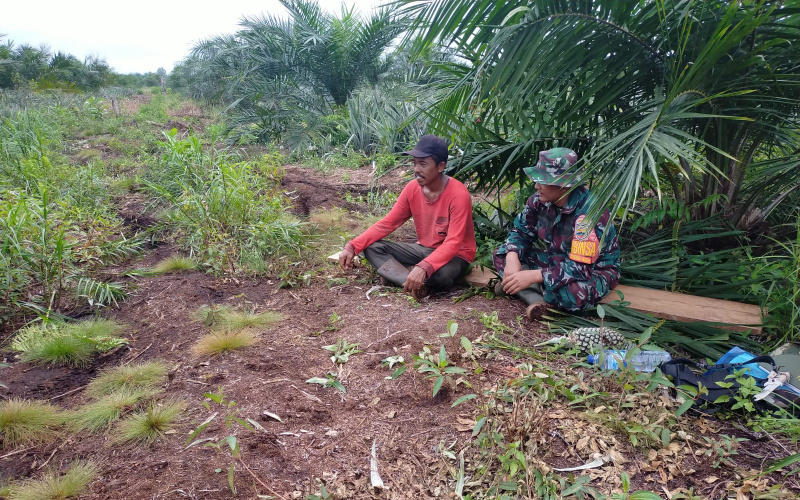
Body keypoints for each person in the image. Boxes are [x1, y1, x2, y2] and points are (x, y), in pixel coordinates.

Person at [339, 135, 476, 300]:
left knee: (440, 275)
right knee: (371, 248)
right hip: (424, 249)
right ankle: (411, 283)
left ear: (440, 166)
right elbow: (388, 223)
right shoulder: (412, 189)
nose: (416, 169)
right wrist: (353, 246)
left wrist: (425, 267)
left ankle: (399, 275)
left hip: (456, 255)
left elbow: (453, 243)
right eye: (414, 163)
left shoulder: (458, 194)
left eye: (423, 164)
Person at [493, 148, 620, 319]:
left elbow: (581, 268)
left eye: (543, 181)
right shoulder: (538, 200)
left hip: (593, 271)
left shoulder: (589, 212)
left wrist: (534, 275)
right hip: (555, 261)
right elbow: (520, 232)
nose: (536, 186)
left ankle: (524, 288)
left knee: (574, 293)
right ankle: (533, 295)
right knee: (502, 254)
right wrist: (512, 257)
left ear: (564, 186)